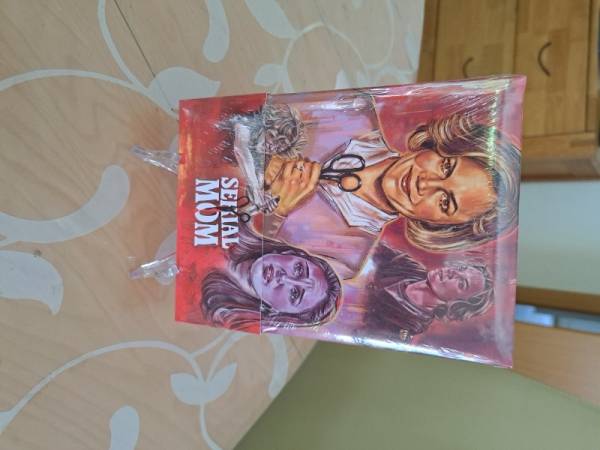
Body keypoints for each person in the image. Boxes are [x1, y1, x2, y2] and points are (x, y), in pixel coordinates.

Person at [260, 109, 521, 279]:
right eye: (445, 166)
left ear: (440, 227)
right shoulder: (353, 114)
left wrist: (276, 214)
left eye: (445, 201)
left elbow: (247, 277)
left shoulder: (347, 257)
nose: (425, 183)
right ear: (440, 145)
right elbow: (249, 114)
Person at [201, 224, 342, 331]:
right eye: (299, 269)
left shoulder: (214, 314)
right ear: (290, 253)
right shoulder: (234, 221)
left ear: (278, 312)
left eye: (294, 294)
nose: (283, 278)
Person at [362, 244, 494, 342]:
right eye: (461, 268)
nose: (452, 272)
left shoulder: (407, 326)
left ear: (457, 303)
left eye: (461, 283)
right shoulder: (407, 265)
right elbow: (368, 246)